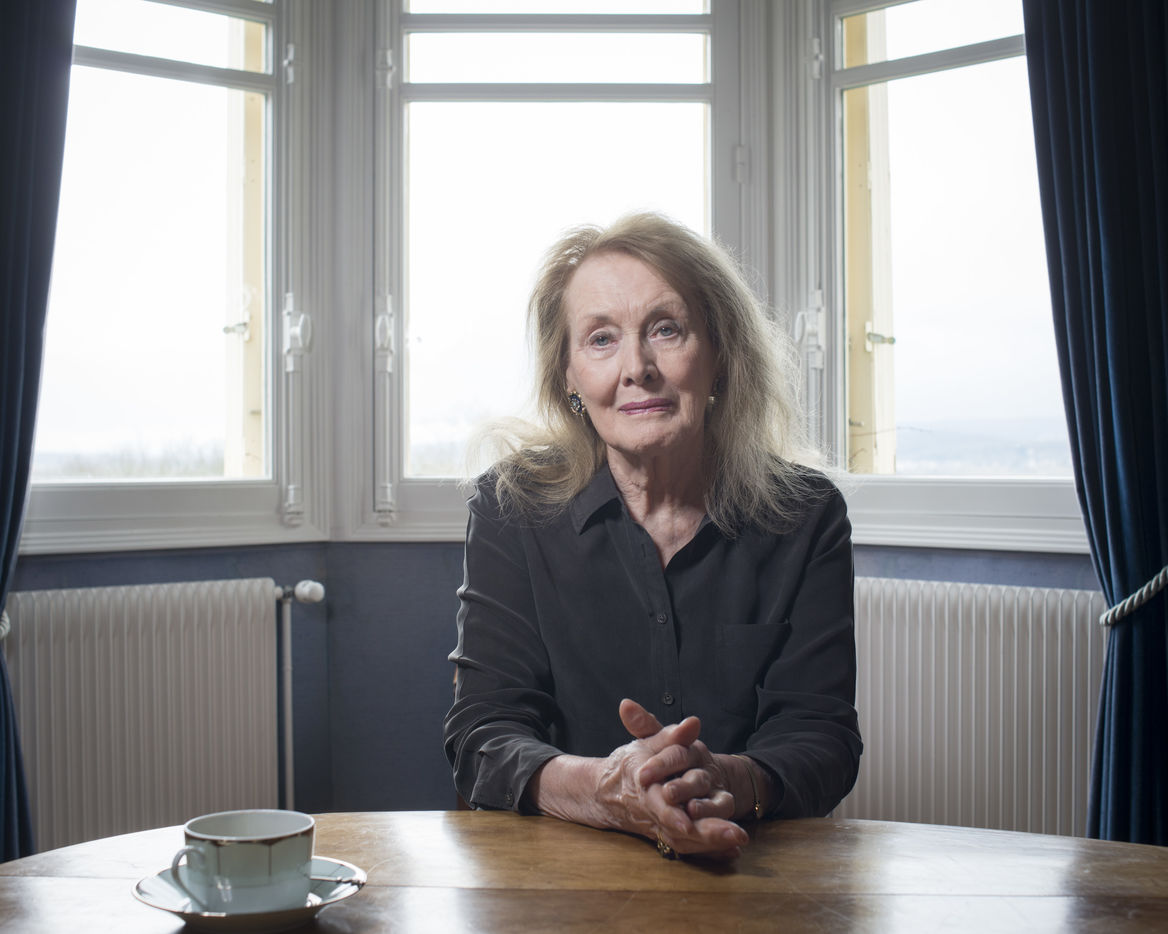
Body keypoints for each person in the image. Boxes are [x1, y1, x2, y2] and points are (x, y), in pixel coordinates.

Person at [443, 213, 861, 860]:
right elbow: (483, 736)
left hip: (750, 864)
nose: (636, 368)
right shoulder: (510, 508)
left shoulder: (807, 515)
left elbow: (822, 739)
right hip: (563, 871)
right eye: (601, 339)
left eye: (666, 329)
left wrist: (723, 780)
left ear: (720, 356)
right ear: (569, 378)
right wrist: (607, 789)